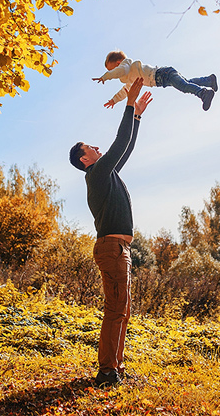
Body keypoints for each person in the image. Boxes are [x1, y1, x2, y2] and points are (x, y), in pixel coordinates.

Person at [69, 78, 153, 387]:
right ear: (85, 159)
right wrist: (128, 104)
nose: (97, 148)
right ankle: (106, 372)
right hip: (112, 248)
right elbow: (119, 143)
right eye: (91, 147)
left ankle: (115, 367)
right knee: (116, 309)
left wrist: (137, 116)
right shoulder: (96, 174)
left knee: (122, 310)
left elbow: (125, 148)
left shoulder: (106, 173)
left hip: (119, 249)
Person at [93, 49, 218, 111]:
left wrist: (106, 77)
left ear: (118, 63)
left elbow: (120, 71)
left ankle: (203, 93)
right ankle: (209, 81)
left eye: (113, 69)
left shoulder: (126, 65)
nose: (115, 74)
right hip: (163, 79)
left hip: (163, 74)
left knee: (184, 87)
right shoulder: (130, 79)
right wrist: (114, 100)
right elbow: (126, 91)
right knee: (186, 83)